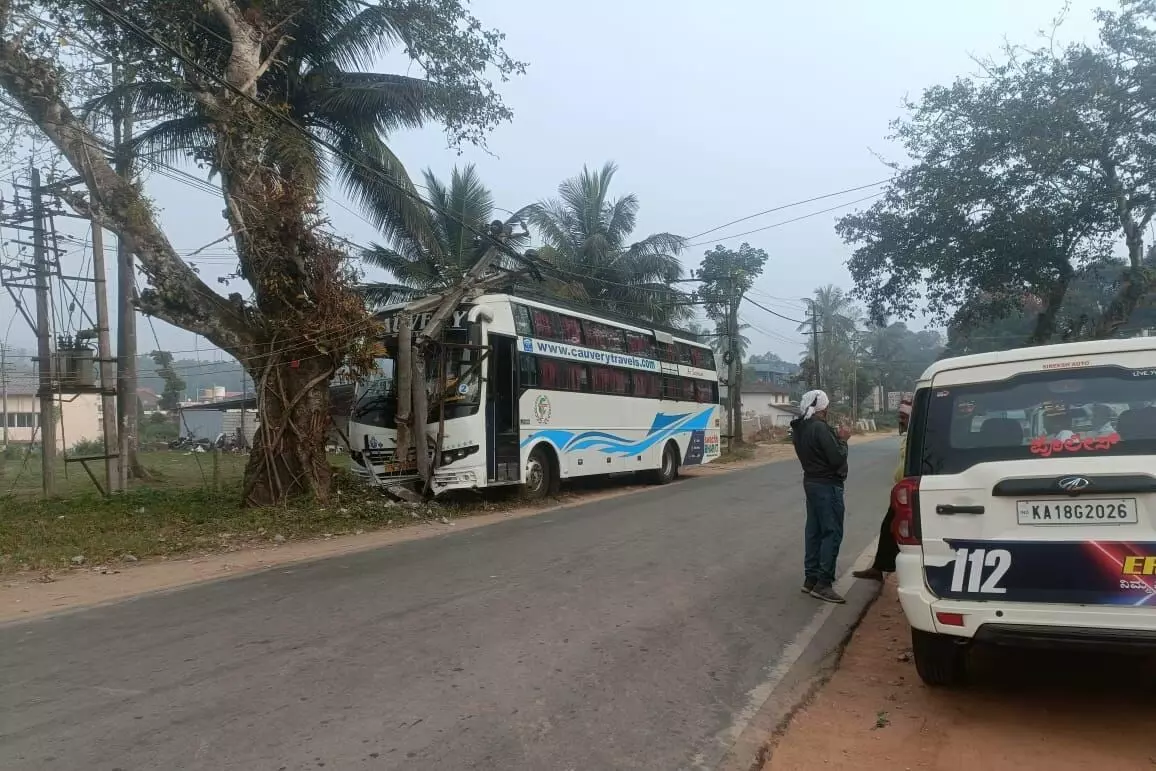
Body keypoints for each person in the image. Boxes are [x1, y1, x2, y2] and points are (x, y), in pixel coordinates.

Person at [791, 389, 852, 604]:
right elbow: (836, 458)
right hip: (828, 485)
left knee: (814, 530)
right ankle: (824, 583)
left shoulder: (799, 428)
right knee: (832, 532)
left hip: (812, 482)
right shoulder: (820, 428)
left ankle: (811, 578)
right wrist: (843, 439)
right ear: (823, 408)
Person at [853, 400, 910, 582]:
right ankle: (881, 567)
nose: (900, 421)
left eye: (903, 417)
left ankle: (889, 568)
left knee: (895, 528)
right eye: (900, 417)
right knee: (889, 527)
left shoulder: (917, 435)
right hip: (903, 490)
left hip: (911, 491)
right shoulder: (910, 434)